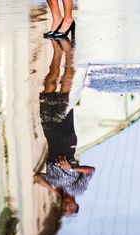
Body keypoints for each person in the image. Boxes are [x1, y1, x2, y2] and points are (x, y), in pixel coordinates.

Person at [34, 38, 94, 216]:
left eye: (63, 209)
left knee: (48, 91)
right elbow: (91, 171)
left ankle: (57, 53)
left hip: (51, 136)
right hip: (67, 142)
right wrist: (72, 169)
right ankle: (69, 56)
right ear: (76, 205)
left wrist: (54, 192)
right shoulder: (78, 190)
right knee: (64, 94)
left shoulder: (56, 186)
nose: (66, 207)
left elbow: (37, 178)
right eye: (70, 209)